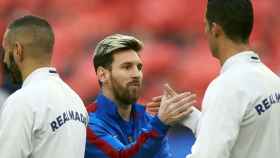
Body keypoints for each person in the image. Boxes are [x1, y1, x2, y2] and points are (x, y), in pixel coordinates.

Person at [183, 0, 280, 158]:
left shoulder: (226, 87)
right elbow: (246, 134)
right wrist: (190, 116)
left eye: (205, 25)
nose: (205, 31)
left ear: (215, 29)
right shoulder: (273, 80)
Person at [85, 34, 196, 158]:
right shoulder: (88, 123)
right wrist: (160, 124)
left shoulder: (147, 120)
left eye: (139, 67)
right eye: (127, 67)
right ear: (102, 74)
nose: (137, 74)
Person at [0, 15, 88, 158]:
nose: (4, 59)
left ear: (17, 50)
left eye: (5, 51)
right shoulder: (76, 100)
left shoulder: (21, 101)